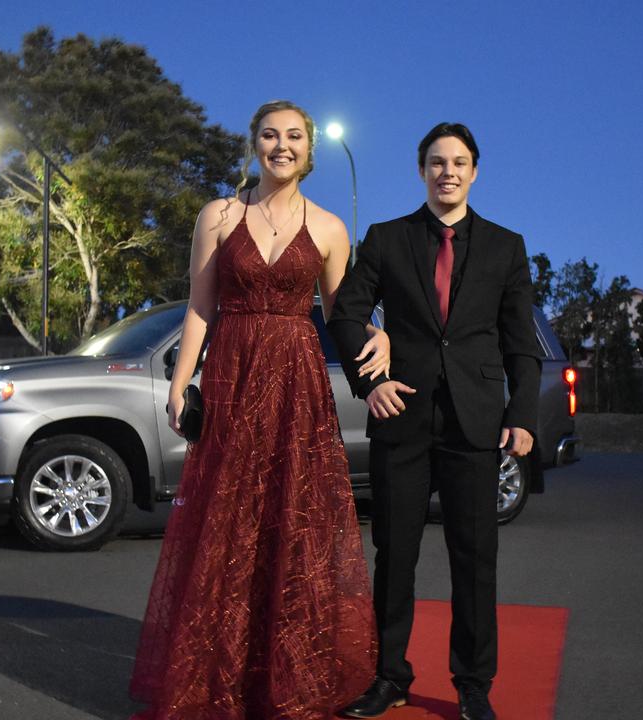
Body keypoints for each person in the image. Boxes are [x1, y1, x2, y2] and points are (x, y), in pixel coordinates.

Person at [129, 100, 386, 719]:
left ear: (309, 149)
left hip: (297, 386)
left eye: (294, 137)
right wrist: (180, 382)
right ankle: (219, 674)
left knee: (290, 523)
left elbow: (341, 314)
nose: (281, 146)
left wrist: (382, 334)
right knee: (227, 524)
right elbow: (199, 307)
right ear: (254, 144)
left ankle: (286, 677)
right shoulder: (219, 216)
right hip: (234, 379)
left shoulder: (328, 228)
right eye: (270, 135)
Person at [328, 123, 542, 720]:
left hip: (475, 424)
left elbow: (520, 341)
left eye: (459, 162)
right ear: (421, 170)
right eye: (437, 162)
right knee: (394, 555)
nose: (448, 171)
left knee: (475, 559)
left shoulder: (506, 247)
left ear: (475, 171)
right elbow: (345, 314)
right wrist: (370, 383)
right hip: (401, 417)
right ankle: (389, 676)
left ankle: (473, 685)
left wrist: (522, 414)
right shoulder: (387, 239)